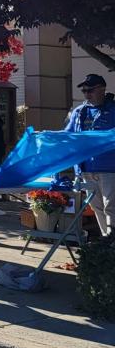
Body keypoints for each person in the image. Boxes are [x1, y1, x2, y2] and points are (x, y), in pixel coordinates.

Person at [63, 73, 115, 239]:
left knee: (111, 207)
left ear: (102, 89)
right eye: (84, 91)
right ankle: (107, 240)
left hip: (109, 168)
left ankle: (112, 240)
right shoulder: (79, 112)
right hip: (85, 169)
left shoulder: (113, 109)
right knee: (97, 208)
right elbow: (68, 136)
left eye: (90, 90)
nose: (86, 94)